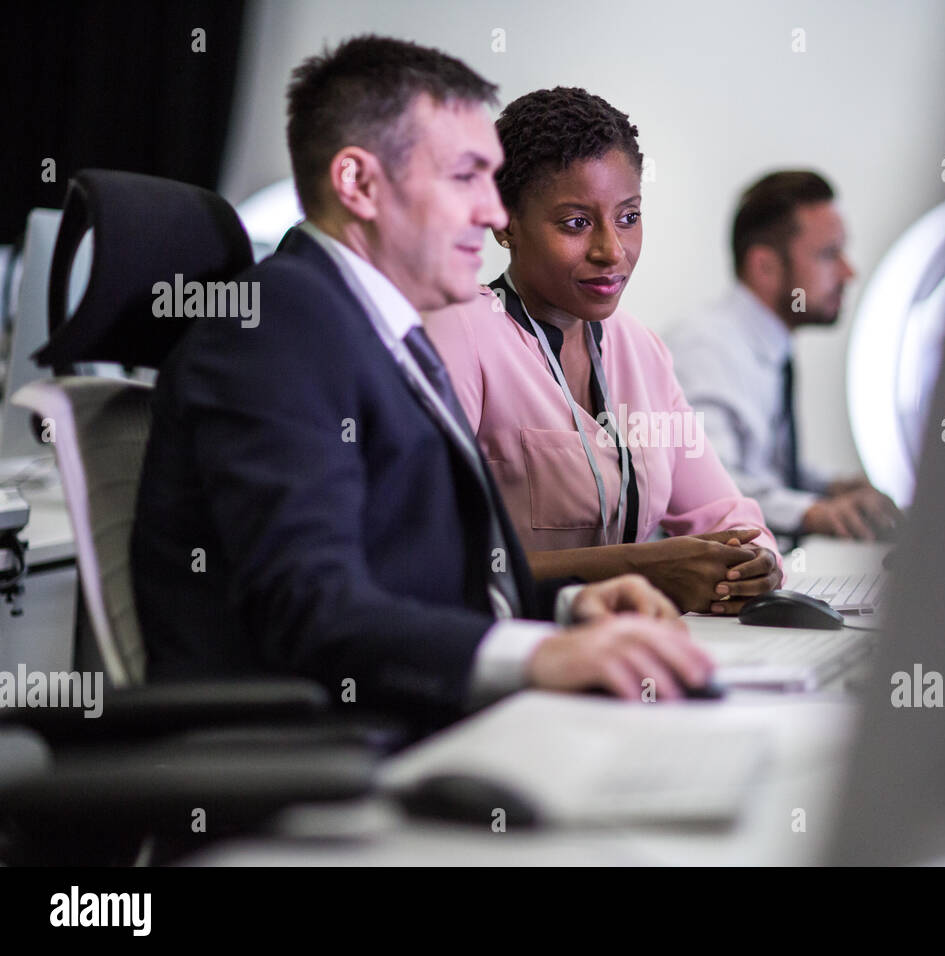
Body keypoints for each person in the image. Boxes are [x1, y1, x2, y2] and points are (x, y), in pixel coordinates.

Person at [131, 36, 713, 732]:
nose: (495, 214)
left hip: (423, 724)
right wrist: (535, 658)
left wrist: (565, 611)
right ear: (360, 184)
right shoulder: (275, 331)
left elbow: (411, 577)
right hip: (325, 763)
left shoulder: (385, 331)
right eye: (465, 178)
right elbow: (313, 607)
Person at [423, 87, 781, 616]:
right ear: (504, 223)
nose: (611, 251)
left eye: (628, 217)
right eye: (576, 223)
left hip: (632, 658)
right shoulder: (460, 334)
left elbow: (723, 514)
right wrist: (642, 568)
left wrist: (758, 562)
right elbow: (434, 562)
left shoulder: (641, 350)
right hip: (507, 666)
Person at [667, 171, 903, 542]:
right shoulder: (705, 350)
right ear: (765, 267)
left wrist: (832, 487)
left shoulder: (767, 344)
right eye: (829, 254)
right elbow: (708, 489)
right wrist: (812, 513)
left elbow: (763, 468)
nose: (848, 272)